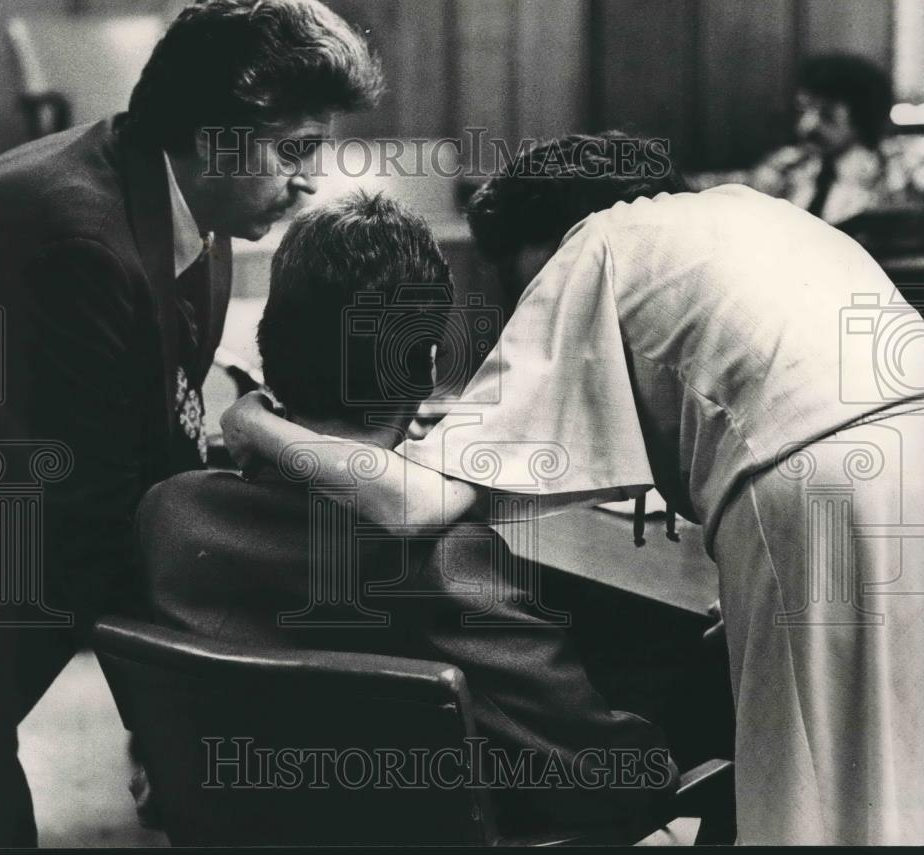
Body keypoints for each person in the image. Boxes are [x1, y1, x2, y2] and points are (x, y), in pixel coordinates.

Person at [222, 133, 924, 844]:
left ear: (556, 240)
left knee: (814, 807)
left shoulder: (598, 243)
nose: (535, 315)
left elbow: (411, 505)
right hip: (885, 476)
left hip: (818, 501)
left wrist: (252, 422)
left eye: (531, 291)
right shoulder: (750, 218)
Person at [0, 0, 381, 846]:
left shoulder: (187, 213)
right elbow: (100, 508)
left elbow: (142, 454)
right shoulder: (75, 241)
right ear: (213, 135)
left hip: (14, 546)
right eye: (295, 149)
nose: (311, 179)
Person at [138, 191, 677, 842]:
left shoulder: (169, 516)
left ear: (268, 348)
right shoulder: (443, 557)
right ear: (424, 368)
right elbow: (602, 778)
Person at [694, 53, 924, 224]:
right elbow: (729, 188)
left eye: (827, 115)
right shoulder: (788, 166)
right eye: (803, 111)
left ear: (863, 117)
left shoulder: (899, 170)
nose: (806, 126)